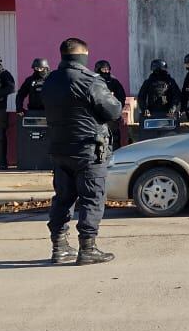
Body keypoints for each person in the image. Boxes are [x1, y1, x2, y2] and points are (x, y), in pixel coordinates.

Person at [41, 38, 122, 265]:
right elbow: (113, 110)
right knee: (92, 198)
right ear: (83, 55)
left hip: (59, 149)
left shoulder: (50, 81)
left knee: (63, 198)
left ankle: (59, 247)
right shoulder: (90, 81)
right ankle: (88, 248)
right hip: (88, 150)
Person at [94, 60, 127, 150]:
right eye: (103, 69)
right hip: (97, 115)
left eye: (107, 69)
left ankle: (116, 153)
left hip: (111, 114)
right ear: (98, 69)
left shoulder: (114, 81)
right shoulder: (93, 81)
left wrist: (118, 109)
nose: (106, 71)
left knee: (114, 136)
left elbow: (121, 97)